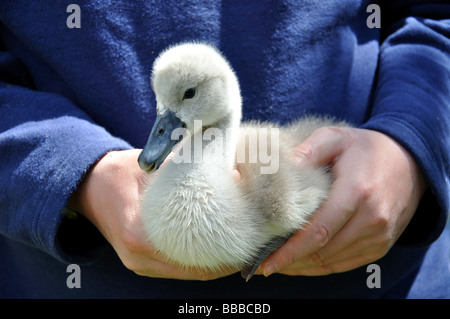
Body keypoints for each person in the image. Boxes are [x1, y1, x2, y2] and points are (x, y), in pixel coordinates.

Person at [0, 0, 449, 298]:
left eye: (186, 100)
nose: (163, 127)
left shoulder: (274, 184)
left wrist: (410, 138)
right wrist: (75, 174)